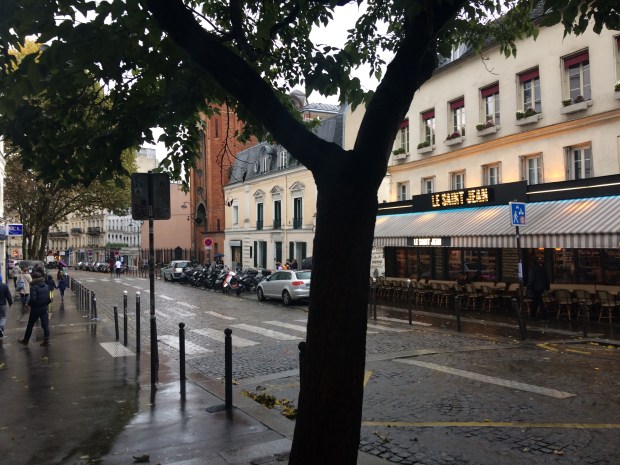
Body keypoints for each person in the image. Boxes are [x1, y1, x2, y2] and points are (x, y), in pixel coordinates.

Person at [18, 269, 52, 347]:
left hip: (36, 309)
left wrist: (28, 304)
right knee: (45, 325)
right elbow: (49, 298)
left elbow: (33, 299)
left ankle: (25, 341)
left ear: (35, 278)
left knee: (30, 325)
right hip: (44, 308)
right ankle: (46, 340)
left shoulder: (34, 287)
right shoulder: (46, 286)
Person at [527, 257, 550, 321]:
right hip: (542, 288)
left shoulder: (532, 269)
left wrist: (528, 287)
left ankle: (545, 317)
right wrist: (547, 287)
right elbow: (547, 278)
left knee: (539, 302)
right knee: (536, 301)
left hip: (535, 288)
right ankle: (532, 315)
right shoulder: (543, 268)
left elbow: (531, 279)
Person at [0, 274, 13, 338]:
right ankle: (0, 327)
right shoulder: (5, 286)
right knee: (3, 316)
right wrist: (10, 303)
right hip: (2, 304)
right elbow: (8, 296)